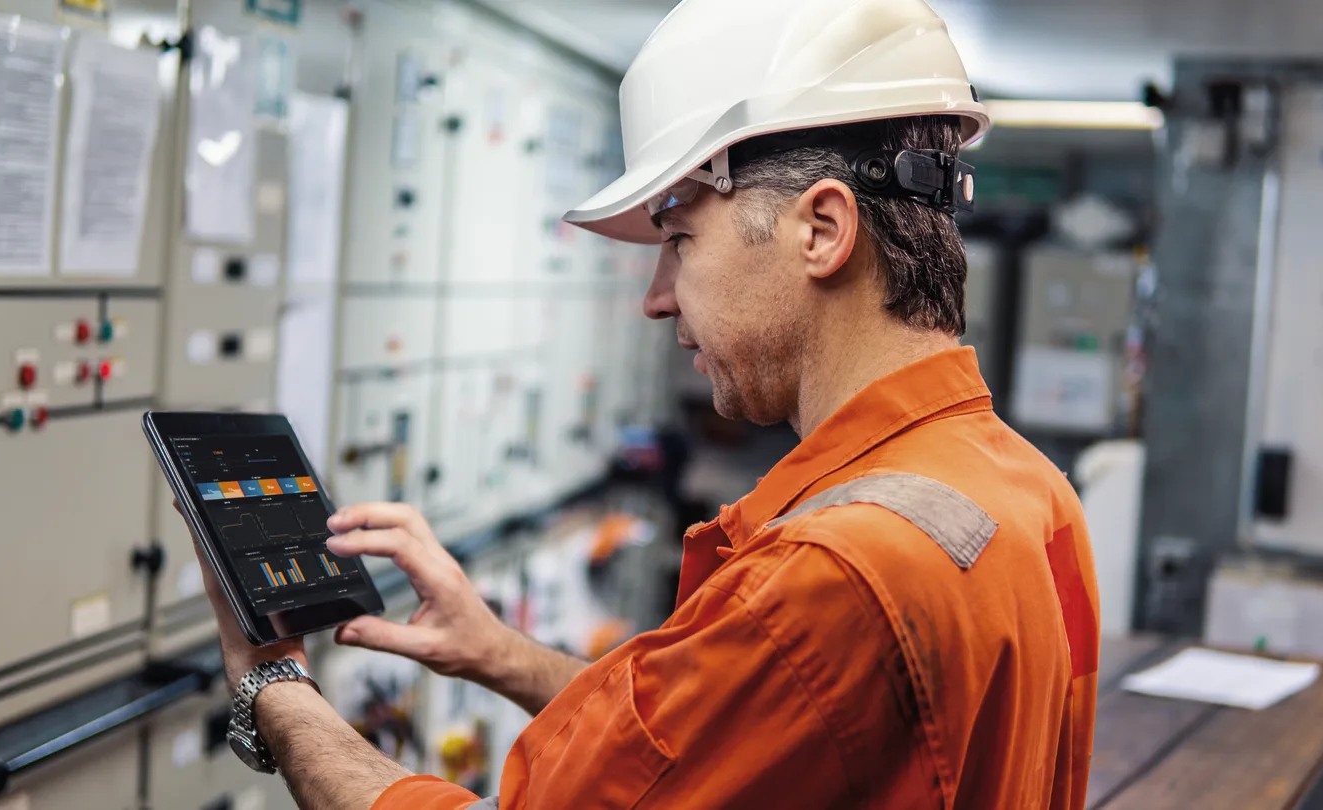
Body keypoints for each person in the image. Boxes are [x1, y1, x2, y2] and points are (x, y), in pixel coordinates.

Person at [192, 0, 1101, 807]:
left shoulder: (831, 578)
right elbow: (713, 752)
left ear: (821, 229)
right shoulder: (1024, 493)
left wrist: (272, 688)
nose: (656, 295)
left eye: (679, 237)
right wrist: (501, 654)